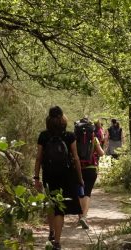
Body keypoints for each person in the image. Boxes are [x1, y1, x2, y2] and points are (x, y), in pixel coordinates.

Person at [34, 106, 84, 250]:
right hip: (66, 174)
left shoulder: (43, 136)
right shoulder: (69, 136)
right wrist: (80, 178)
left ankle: (51, 231)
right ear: (63, 118)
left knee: (51, 204)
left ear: (48, 119)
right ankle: (57, 241)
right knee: (60, 208)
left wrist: (36, 178)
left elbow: (38, 158)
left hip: (49, 174)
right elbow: (75, 158)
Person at [74, 118, 104, 229]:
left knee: (79, 193)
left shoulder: (74, 138)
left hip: (78, 169)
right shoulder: (94, 138)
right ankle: (84, 217)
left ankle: (80, 217)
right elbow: (101, 153)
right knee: (87, 193)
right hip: (91, 169)